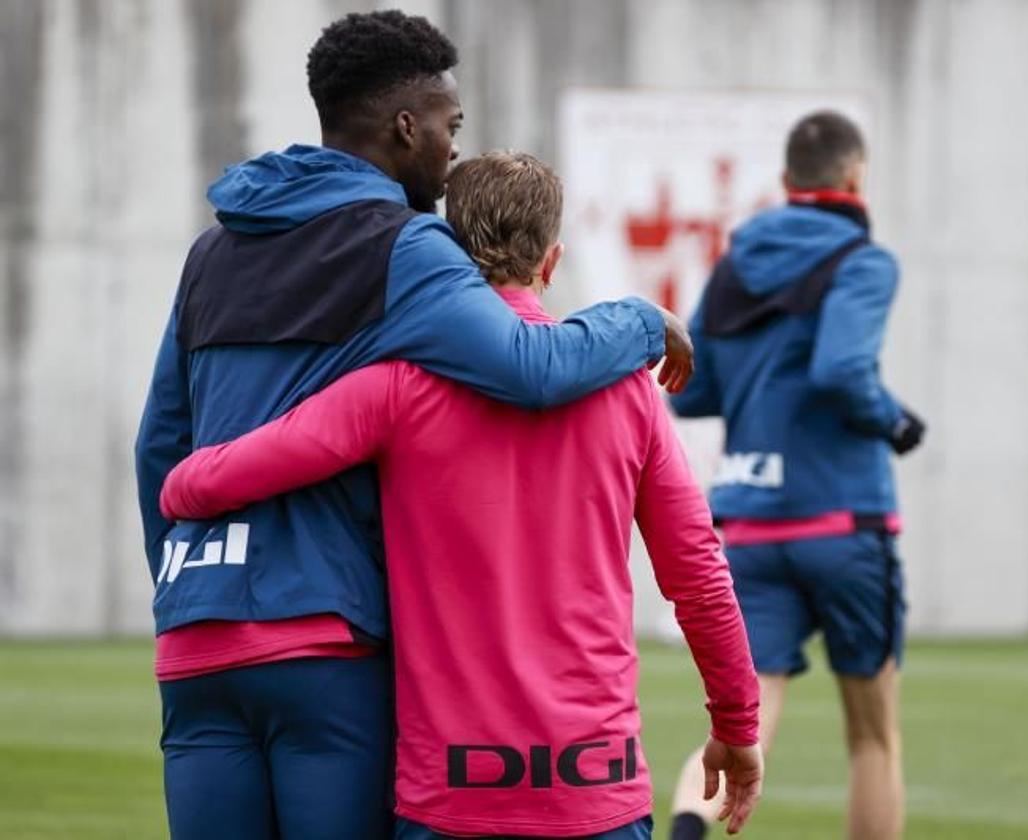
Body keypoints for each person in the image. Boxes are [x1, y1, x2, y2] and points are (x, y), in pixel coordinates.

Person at [134, 12, 692, 840]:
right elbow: (529, 368)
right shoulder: (408, 247)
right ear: (407, 125)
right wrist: (645, 318)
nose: (451, 149)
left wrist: (187, 585)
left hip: (197, 641)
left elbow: (158, 445)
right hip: (326, 640)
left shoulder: (211, 252)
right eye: (449, 126)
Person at [666, 111, 925, 840]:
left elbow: (695, 385)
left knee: (744, 720)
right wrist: (896, 421)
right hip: (843, 521)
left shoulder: (736, 261)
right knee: (873, 739)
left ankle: (686, 827)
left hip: (749, 523)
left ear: (786, 183)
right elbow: (842, 369)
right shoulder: (864, 261)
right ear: (854, 178)